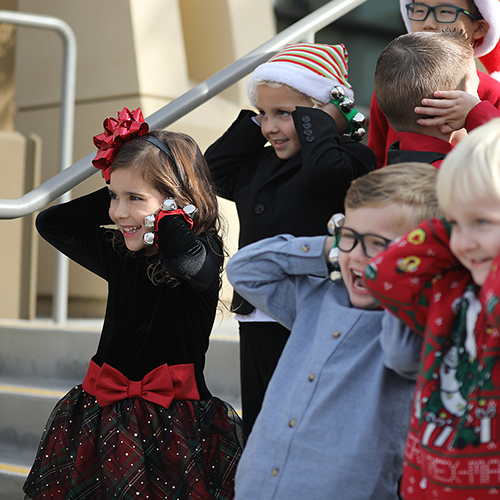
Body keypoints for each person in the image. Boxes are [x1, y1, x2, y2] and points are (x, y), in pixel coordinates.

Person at [23, 107, 244, 500]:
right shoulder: (121, 254)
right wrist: (126, 190)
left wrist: (168, 215)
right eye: (113, 197)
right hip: (102, 413)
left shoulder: (202, 252)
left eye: (134, 198)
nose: (119, 212)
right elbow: (51, 223)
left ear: (176, 202)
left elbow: (186, 261)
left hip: (175, 421)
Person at [225, 163, 441, 499]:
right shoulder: (316, 296)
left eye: (377, 244)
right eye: (350, 238)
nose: (355, 255)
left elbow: (402, 355)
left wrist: (402, 279)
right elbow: (244, 270)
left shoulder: (411, 327)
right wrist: (327, 250)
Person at [204, 43, 376, 434]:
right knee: (261, 425)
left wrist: (324, 122)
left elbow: (323, 173)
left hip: (305, 315)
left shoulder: (350, 158)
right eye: (264, 115)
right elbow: (213, 171)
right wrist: (258, 120)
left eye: (283, 114)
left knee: (299, 425)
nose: (269, 128)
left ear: (325, 113)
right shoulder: (261, 162)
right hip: (255, 316)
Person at [364, 119, 500, 499]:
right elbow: (384, 273)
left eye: (482, 222)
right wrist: (451, 223)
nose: (464, 242)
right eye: (455, 223)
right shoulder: (452, 292)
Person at [368, 0, 500, 168]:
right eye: (419, 9)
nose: (428, 24)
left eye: (445, 11)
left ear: (480, 27)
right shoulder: (394, 80)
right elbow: (377, 155)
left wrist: (476, 112)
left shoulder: (493, 92)